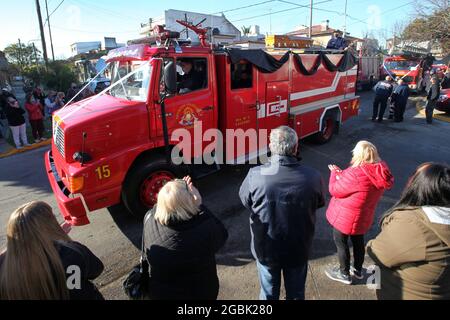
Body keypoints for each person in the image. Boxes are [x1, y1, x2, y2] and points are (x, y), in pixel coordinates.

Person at [239, 126, 325, 300]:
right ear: (295, 148)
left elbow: (246, 201)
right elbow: (320, 202)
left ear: (271, 147)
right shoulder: (313, 177)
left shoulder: (255, 175)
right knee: (296, 293)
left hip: (266, 248)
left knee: (268, 293)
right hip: (298, 247)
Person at [366, 163, 450, 300]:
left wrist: (369, 245)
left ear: (422, 187)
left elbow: (377, 253)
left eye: (414, 176)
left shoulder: (414, 225)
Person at [143, 176, 228, 300]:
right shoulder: (203, 230)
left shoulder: (149, 218)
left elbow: (159, 208)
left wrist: (176, 192)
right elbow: (222, 235)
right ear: (187, 204)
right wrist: (199, 205)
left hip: (161, 293)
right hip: (200, 292)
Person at [0, 201, 104, 300]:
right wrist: (58, 240)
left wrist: (18, 244)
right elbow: (96, 270)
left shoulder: (6, 266)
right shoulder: (71, 253)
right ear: (51, 224)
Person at [324, 141, 394, 285]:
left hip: (345, 217)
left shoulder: (355, 173)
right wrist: (341, 173)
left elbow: (334, 190)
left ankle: (344, 274)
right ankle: (358, 271)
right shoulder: (379, 172)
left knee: (341, 243)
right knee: (358, 242)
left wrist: (333, 174)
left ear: (359, 155)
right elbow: (360, 184)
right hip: (363, 216)